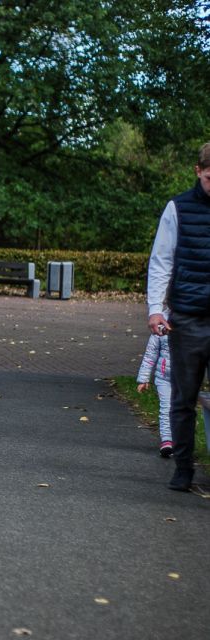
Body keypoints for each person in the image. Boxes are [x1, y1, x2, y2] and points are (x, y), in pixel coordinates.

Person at [146, 141, 210, 491]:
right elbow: (161, 261)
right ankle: (184, 467)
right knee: (183, 398)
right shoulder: (178, 209)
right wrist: (155, 309)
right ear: (198, 171)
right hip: (187, 318)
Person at [136, 312, 174, 457]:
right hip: (163, 377)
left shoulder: (190, 320)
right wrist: (144, 378)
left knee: (181, 410)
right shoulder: (160, 321)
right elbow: (150, 354)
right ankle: (167, 441)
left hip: (184, 377)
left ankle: (181, 440)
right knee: (166, 408)